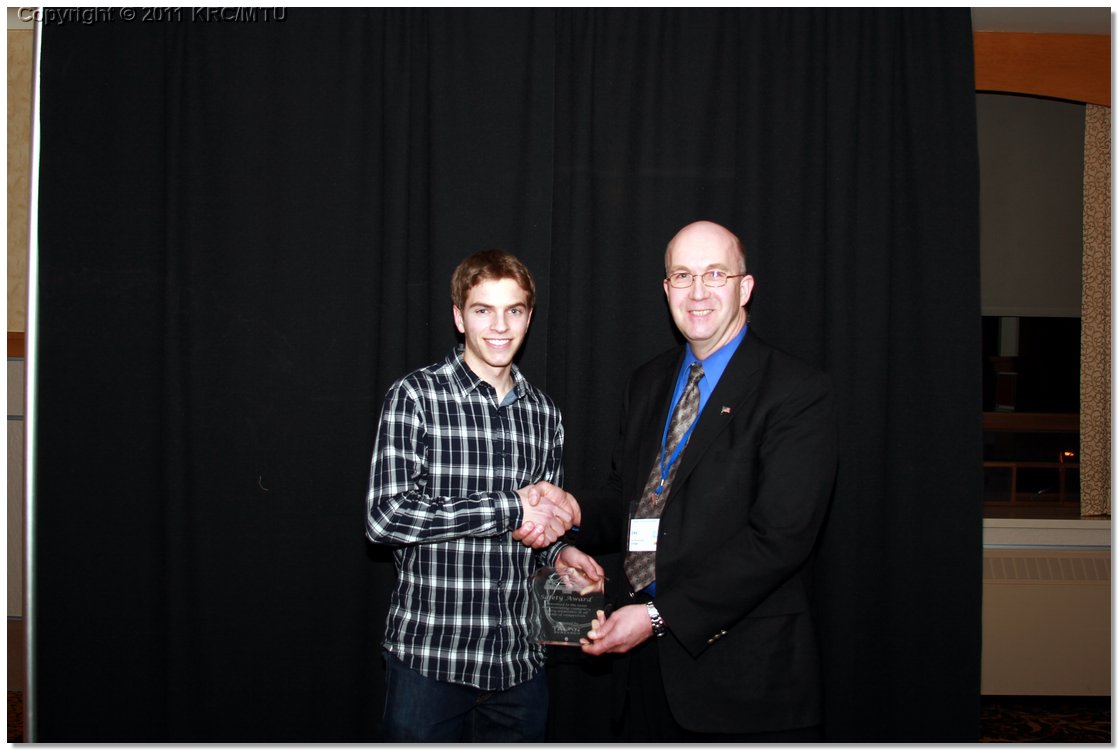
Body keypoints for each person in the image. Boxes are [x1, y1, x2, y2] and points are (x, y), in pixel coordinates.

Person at [579, 220, 838, 741]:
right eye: (682, 275)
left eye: (715, 274)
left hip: (739, 678)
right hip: (641, 669)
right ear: (666, 289)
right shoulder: (647, 382)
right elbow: (627, 498)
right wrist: (569, 515)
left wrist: (658, 616)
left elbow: (779, 539)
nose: (697, 292)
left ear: (745, 287)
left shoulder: (796, 391)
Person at [365, 249, 603, 742]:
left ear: (529, 318)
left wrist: (561, 553)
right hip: (430, 661)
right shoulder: (415, 397)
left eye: (513, 310)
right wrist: (509, 506)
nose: (499, 326)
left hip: (519, 666)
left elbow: (539, 529)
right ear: (459, 317)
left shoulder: (545, 414)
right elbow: (385, 518)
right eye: (482, 310)